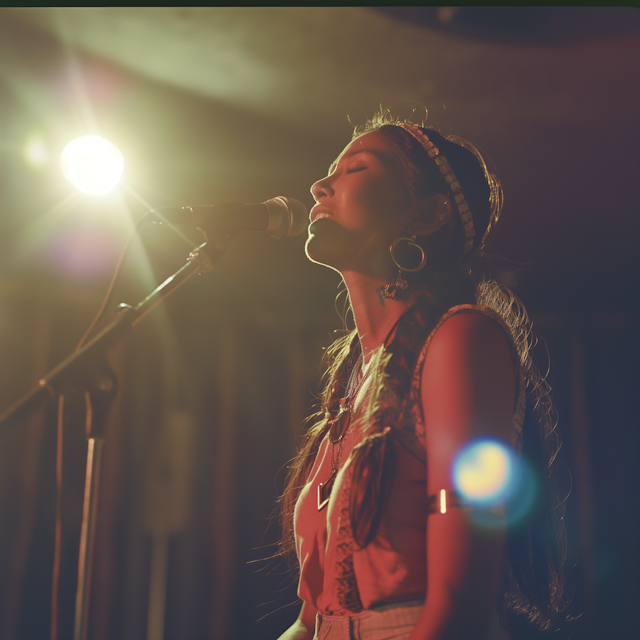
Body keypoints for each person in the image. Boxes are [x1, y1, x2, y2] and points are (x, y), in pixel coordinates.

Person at [277, 110, 566, 640]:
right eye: (328, 172)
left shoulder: (461, 340)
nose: (320, 184)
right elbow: (310, 620)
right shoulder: (349, 392)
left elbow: (461, 603)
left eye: (356, 169)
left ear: (429, 215)